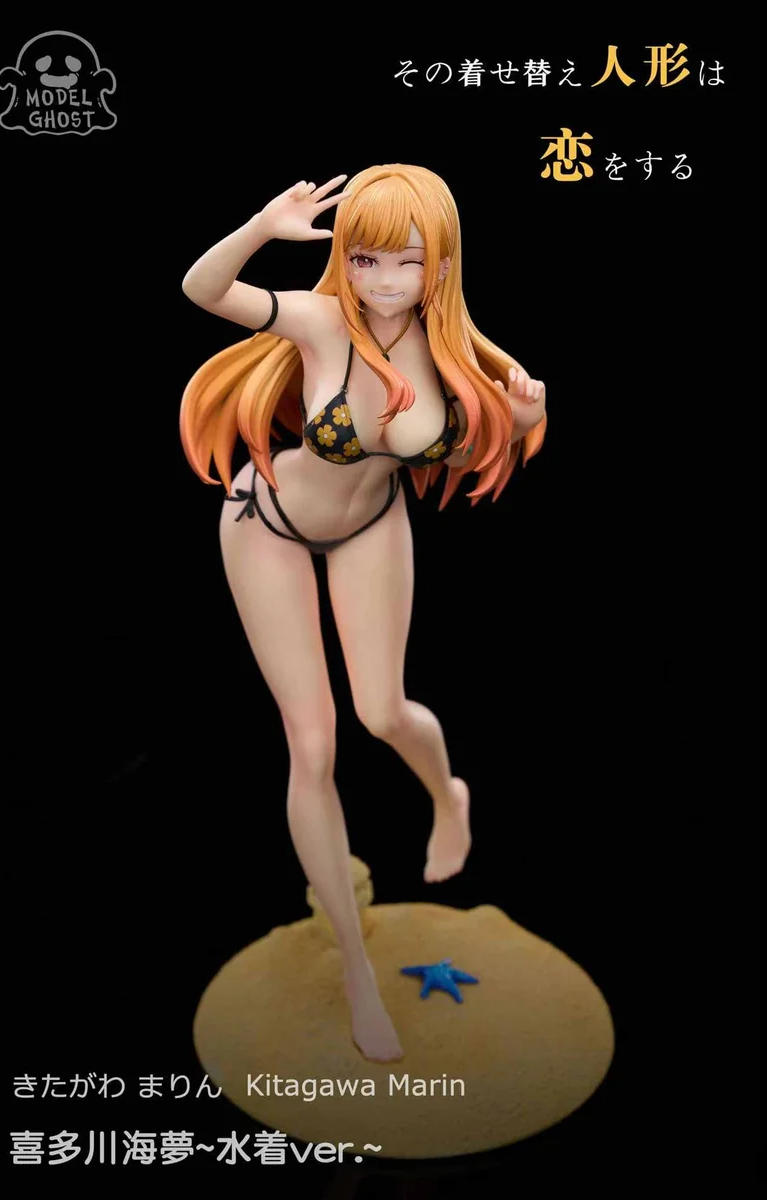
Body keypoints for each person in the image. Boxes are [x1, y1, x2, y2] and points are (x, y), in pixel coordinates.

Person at [180, 164, 547, 1062]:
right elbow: (203, 289)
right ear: (345, 257)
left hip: (372, 526)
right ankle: (355, 970)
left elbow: (456, 454)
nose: (384, 280)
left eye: (407, 262)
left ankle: (448, 795)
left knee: (384, 712)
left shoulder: (454, 351)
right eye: (366, 259)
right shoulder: (320, 320)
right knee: (314, 745)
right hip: (266, 523)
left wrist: (519, 419)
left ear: (441, 265)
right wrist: (262, 227)